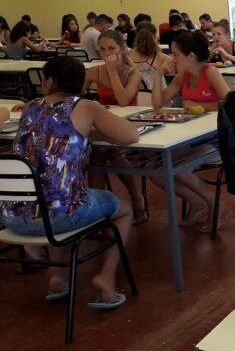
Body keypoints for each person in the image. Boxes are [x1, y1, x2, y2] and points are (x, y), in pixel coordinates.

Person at [1, 56, 138, 308]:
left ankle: (56, 277)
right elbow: (131, 137)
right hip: (59, 216)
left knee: (49, 195)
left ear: (50, 82)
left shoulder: (30, 108)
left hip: (12, 217)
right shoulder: (85, 107)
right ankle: (106, 278)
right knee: (124, 208)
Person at [151, 31, 230, 231]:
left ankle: (215, 202)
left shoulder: (210, 73)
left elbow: (230, 103)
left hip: (215, 139)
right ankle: (197, 201)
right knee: (157, 173)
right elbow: (157, 104)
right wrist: (158, 74)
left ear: (191, 56)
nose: (172, 58)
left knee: (180, 168)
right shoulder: (182, 77)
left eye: (175, 54)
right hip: (192, 137)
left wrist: (201, 105)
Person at [83, 30, 147, 224]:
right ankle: (107, 205)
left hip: (129, 124)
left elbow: (123, 100)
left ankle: (130, 200)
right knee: (99, 150)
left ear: (123, 49)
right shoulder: (94, 71)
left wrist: (112, 72)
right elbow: (72, 94)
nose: (107, 53)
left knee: (104, 150)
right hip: (104, 124)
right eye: (102, 49)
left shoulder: (133, 73)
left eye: (112, 48)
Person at [127, 22, 175, 89]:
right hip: (158, 97)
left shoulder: (128, 55)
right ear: (155, 35)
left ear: (136, 35)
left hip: (134, 97)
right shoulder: (163, 58)